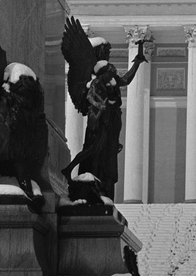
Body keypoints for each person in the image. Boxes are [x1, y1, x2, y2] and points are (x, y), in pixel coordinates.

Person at [61, 19, 148, 200]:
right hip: (100, 120)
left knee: (106, 154)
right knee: (93, 149)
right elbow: (93, 98)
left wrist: (137, 63)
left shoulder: (109, 77)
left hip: (111, 120)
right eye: (106, 52)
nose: (108, 54)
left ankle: (99, 182)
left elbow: (125, 80)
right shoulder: (97, 80)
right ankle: (69, 169)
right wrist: (103, 107)